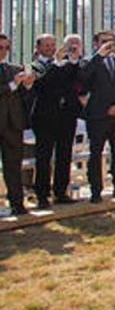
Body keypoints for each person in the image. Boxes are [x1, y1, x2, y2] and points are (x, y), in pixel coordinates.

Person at [79, 31, 115, 202]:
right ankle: (96, 190)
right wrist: (99, 56)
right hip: (98, 115)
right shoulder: (89, 62)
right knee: (96, 152)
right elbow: (83, 79)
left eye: (111, 41)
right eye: (105, 41)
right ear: (96, 43)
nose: (109, 45)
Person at [30, 34, 82, 207]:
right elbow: (44, 83)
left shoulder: (61, 63)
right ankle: (42, 195)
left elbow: (74, 79)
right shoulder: (36, 66)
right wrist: (57, 63)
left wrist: (73, 60)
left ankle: (61, 191)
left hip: (65, 116)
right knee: (43, 157)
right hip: (45, 118)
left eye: (53, 45)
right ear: (38, 48)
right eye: (46, 45)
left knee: (64, 154)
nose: (51, 48)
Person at [0, 33, 35, 215]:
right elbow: (8, 88)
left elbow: (25, 98)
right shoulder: (12, 76)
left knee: (13, 166)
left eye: (6, 47)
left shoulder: (13, 69)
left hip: (13, 125)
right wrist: (12, 85)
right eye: (1, 48)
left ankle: (17, 203)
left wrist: (27, 85)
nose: (4, 51)